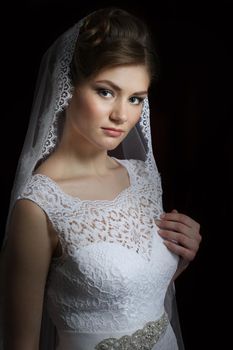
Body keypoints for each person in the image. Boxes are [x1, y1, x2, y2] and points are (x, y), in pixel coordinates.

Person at [0, 7, 202, 350]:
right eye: (106, 91)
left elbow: (132, 297)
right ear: (69, 86)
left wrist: (183, 254)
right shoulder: (38, 207)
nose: (122, 115)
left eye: (136, 98)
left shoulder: (144, 176)